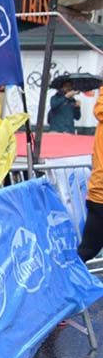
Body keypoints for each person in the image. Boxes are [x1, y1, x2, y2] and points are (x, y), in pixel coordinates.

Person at [78, 91, 103, 262]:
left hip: (99, 193)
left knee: (88, 248)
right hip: (100, 195)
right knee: (88, 249)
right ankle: (65, 282)